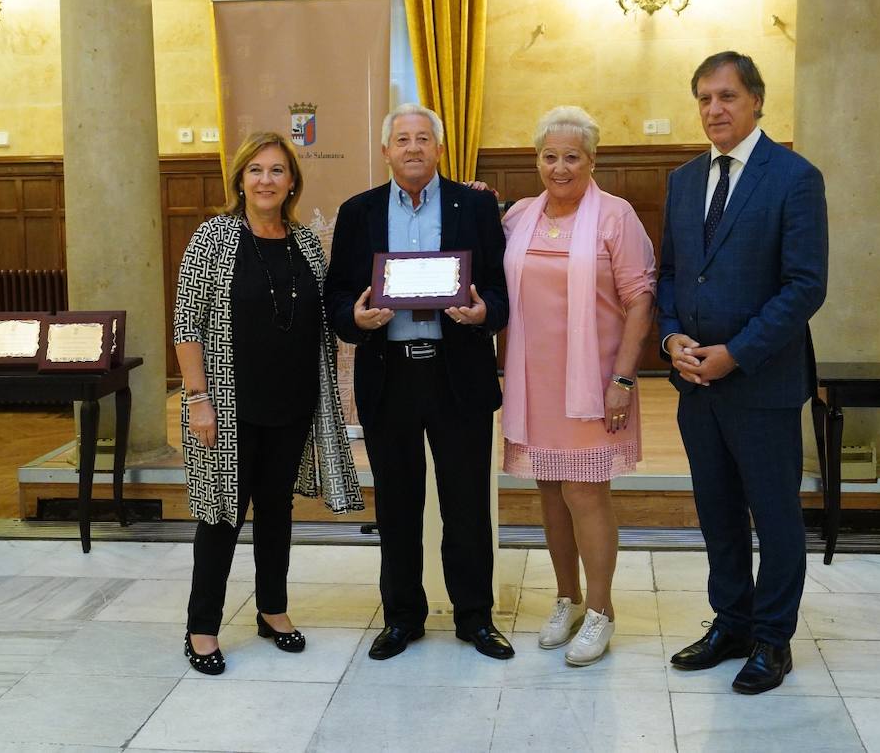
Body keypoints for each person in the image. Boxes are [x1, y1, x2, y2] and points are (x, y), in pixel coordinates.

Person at [657, 52, 828, 694]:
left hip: (761, 381)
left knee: (774, 514)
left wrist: (736, 352)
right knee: (718, 511)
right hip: (694, 383)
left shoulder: (794, 177)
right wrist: (672, 336)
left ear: (756, 100)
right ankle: (730, 622)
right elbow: (672, 274)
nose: (713, 110)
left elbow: (805, 286)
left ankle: (772, 638)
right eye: (703, 98)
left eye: (726, 96)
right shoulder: (681, 180)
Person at [323, 103, 514, 661]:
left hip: (459, 376)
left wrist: (485, 314)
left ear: (439, 148)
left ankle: (475, 617)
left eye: (423, 138)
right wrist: (355, 320)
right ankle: (402, 616)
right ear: (386, 151)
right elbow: (337, 296)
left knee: (467, 505)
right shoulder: (357, 212)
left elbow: (501, 291)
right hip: (390, 375)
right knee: (397, 506)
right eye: (402, 139)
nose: (412, 148)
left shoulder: (475, 205)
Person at [173, 131, 364, 676]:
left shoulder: (305, 242)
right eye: (255, 170)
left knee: (277, 513)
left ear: (291, 183)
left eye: (277, 171)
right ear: (239, 179)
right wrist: (197, 398)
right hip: (227, 407)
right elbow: (187, 324)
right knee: (220, 517)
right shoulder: (213, 239)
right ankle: (202, 628)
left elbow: (326, 318)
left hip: (292, 403)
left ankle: (272, 611)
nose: (265, 180)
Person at [500, 105, 655, 666]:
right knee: (548, 491)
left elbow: (640, 299)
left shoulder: (616, 216)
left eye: (571, 156)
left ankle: (601, 610)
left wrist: (623, 378)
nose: (559, 167)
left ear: (592, 160)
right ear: (536, 160)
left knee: (586, 492)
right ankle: (564, 598)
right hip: (533, 383)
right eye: (549, 156)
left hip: (593, 382)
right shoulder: (519, 215)